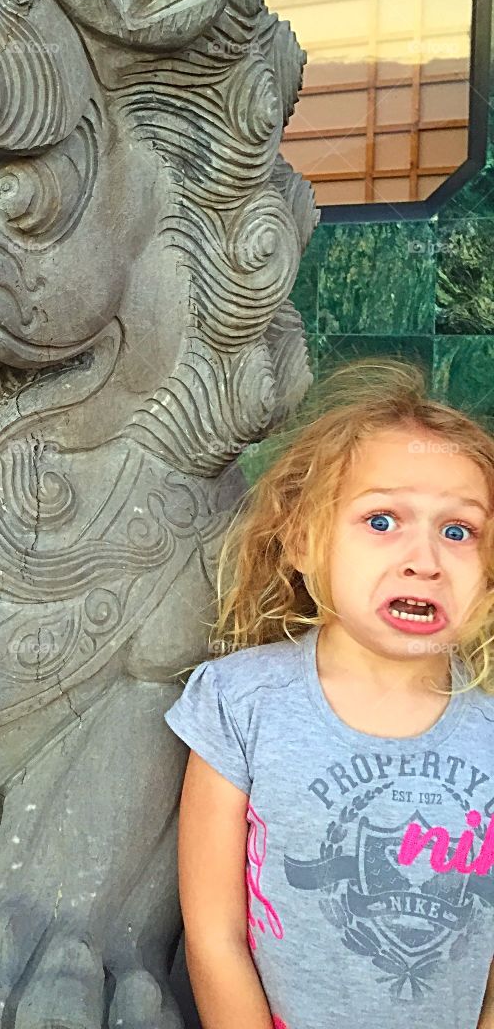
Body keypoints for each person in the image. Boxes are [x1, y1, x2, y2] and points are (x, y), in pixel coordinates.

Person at [165, 358, 494, 1029]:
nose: (424, 559)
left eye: (458, 531)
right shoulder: (239, 703)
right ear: (304, 542)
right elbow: (213, 932)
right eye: (382, 521)